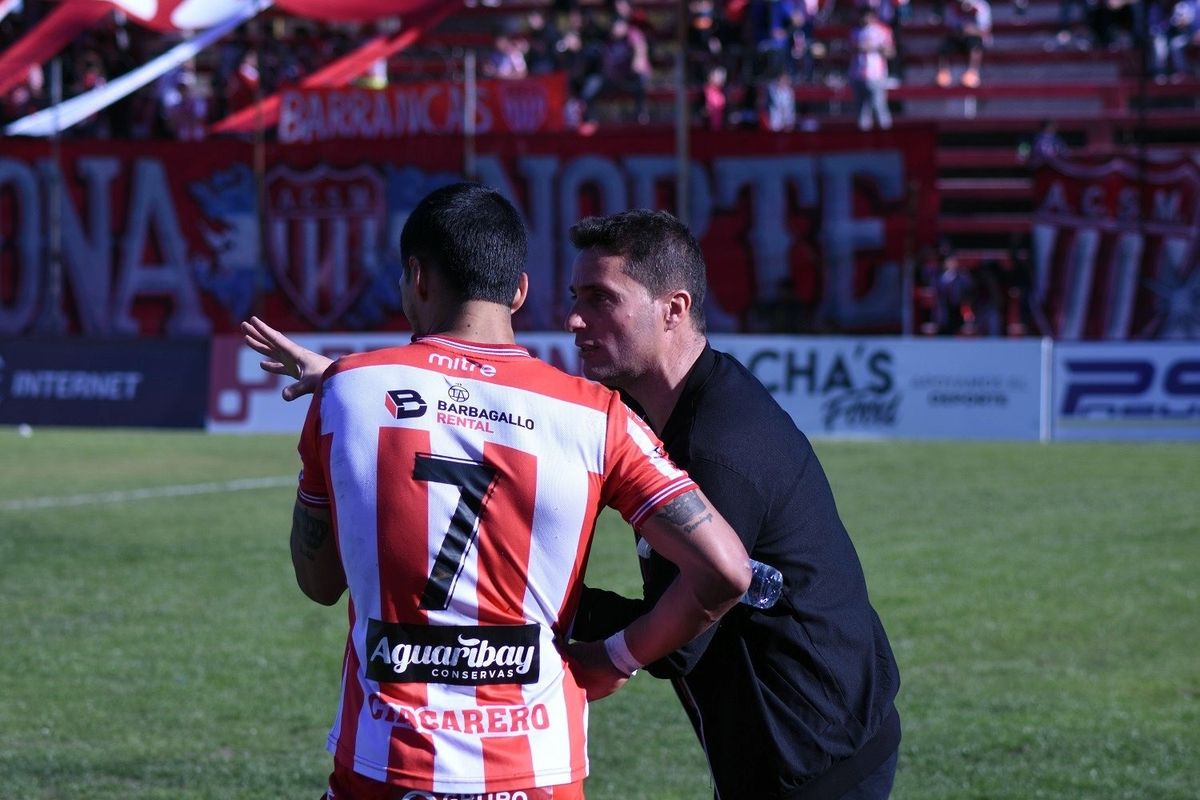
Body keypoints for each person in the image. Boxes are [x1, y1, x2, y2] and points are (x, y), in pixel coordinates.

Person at [251, 206, 902, 799]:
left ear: (674, 308)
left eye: (601, 300)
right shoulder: (619, 414)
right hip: (713, 747)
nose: (575, 320)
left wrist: (560, 626)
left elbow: (684, 636)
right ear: (522, 290)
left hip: (813, 751)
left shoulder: (717, 448)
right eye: (573, 297)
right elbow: (478, 406)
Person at [849, 7, 896, 131]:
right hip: (857, 74)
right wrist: (858, 48)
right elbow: (850, 50)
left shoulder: (882, 30)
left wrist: (874, 48)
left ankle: (886, 136)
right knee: (861, 110)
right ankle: (863, 140)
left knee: (879, 106)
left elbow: (891, 52)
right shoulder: (855, 31)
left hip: (876, 75)